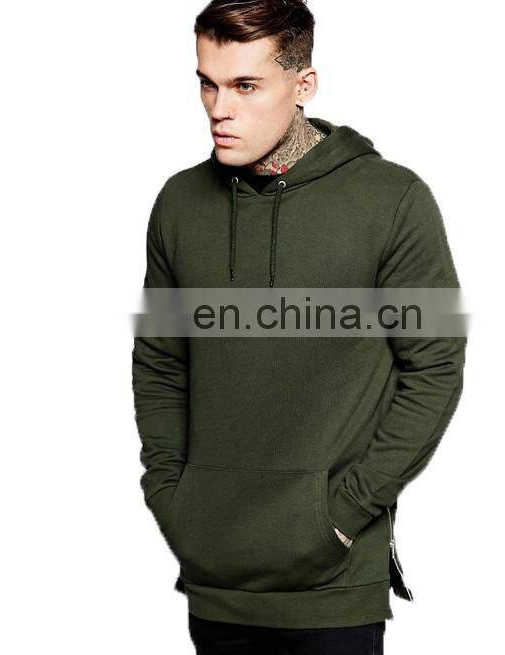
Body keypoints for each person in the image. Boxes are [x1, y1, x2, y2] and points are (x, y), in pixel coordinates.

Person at [132, 1, 466, 652]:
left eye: (245, 85)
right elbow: (161, 363)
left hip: (333, 588)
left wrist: (343, 515)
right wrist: (172, 497)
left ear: (303, 84)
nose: (219, 109)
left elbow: (434, 367)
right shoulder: (179, 204)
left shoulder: (393, 200)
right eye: (207, 83)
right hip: (214, 578)